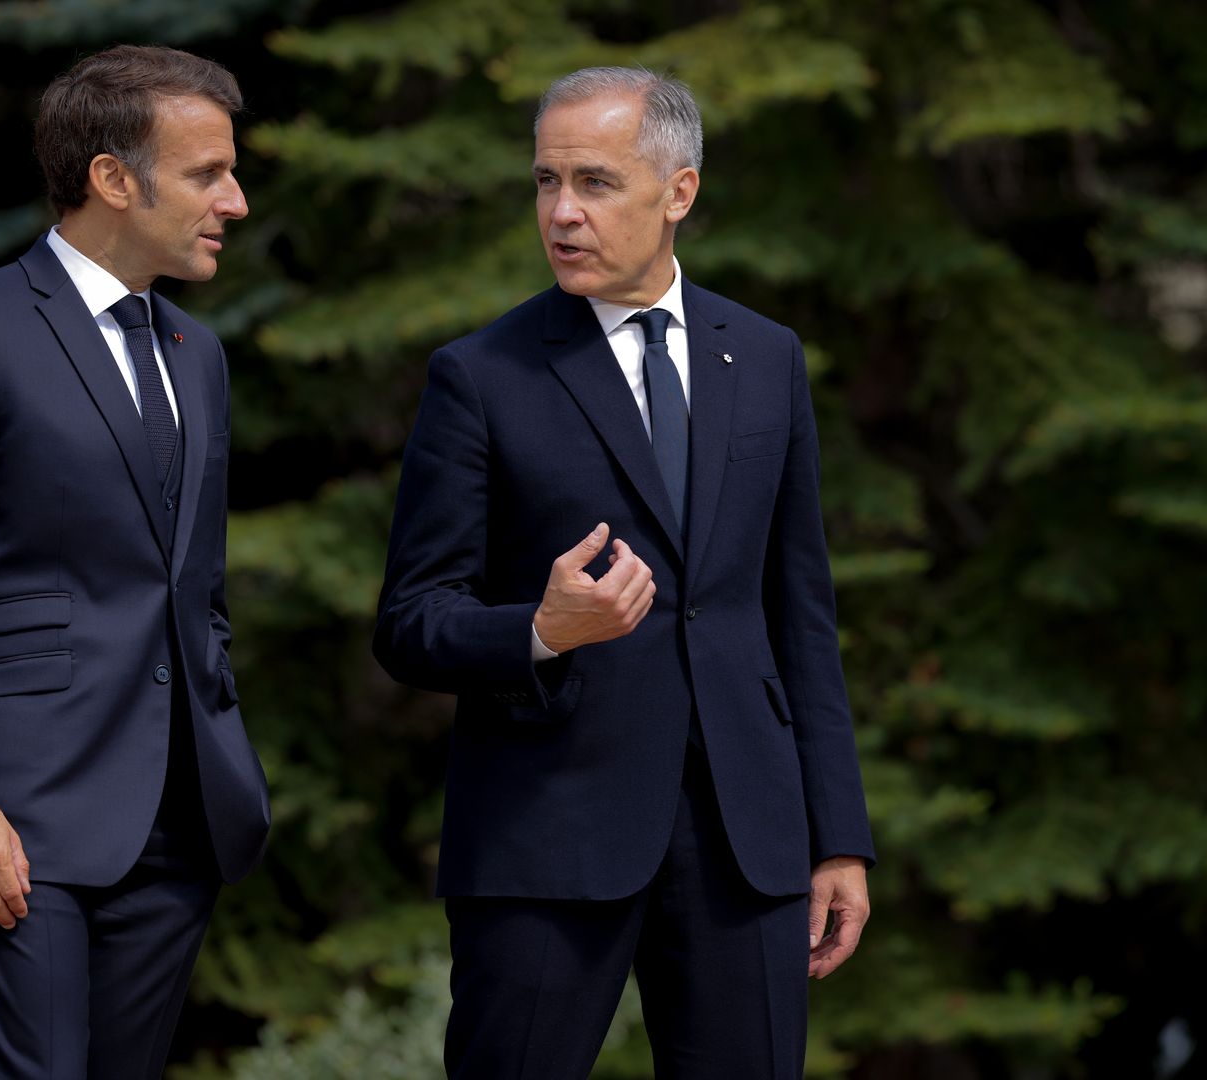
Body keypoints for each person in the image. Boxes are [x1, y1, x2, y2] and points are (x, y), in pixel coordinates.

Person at [374, 66, 875, 1078]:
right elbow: (411, 621)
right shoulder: (479, 376)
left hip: (746, 843)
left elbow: (800, 616)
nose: (562, 212)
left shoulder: (766, 357)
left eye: (595, 182)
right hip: (546, 837)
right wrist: (540, 631)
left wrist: (838, 837)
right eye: (546, 181)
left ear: (678, 192)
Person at [0, 44, 269, 1078]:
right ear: (112, 178)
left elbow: (195, 589)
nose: (235, 200)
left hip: (179, 824)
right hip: (17, 820)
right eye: (208, 174)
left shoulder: (199, 356)